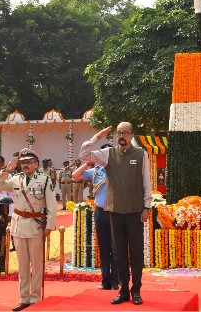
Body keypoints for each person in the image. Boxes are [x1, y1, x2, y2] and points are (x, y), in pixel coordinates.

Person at [79, 123, 151, 306]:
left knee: (136, 252)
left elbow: (146, 182)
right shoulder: (108, 154)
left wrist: (147, 207)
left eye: (126, 133)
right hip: (115, 211)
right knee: (118, 253)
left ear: (132, 135)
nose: (122, 136)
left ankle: (136, 290)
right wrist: (97, 137)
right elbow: (84, 155)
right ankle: (123, 290)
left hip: (135, 211)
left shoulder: (140, 154)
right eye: (119, 133)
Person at [0, 148, 57, 311]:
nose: (25, 165)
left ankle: (35, 297)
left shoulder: (44, 180)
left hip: (36, 224)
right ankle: (24, 298)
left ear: (36, 164)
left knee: (36, 264)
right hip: (19, 224)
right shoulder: (15, 179)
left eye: (29, 162)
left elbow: (51, 205)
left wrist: (50, 226)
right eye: (23, 163)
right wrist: (5, 170)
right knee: (22, 265)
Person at [72, 152, 119, 291]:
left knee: (115, 249)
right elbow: (75, 175)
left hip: (115, 213)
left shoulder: (118, 169)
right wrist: (87, 163)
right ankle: (105, 281)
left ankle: (116, 281)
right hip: (100, 212)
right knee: (104, 249)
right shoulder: (96, 171)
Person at [0, 155, 14, 271]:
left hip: (3, 208)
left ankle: (2, 263)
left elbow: (11, 196)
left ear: (2, 164)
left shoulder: (7, 176)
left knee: (2, 236)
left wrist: (10, 214)